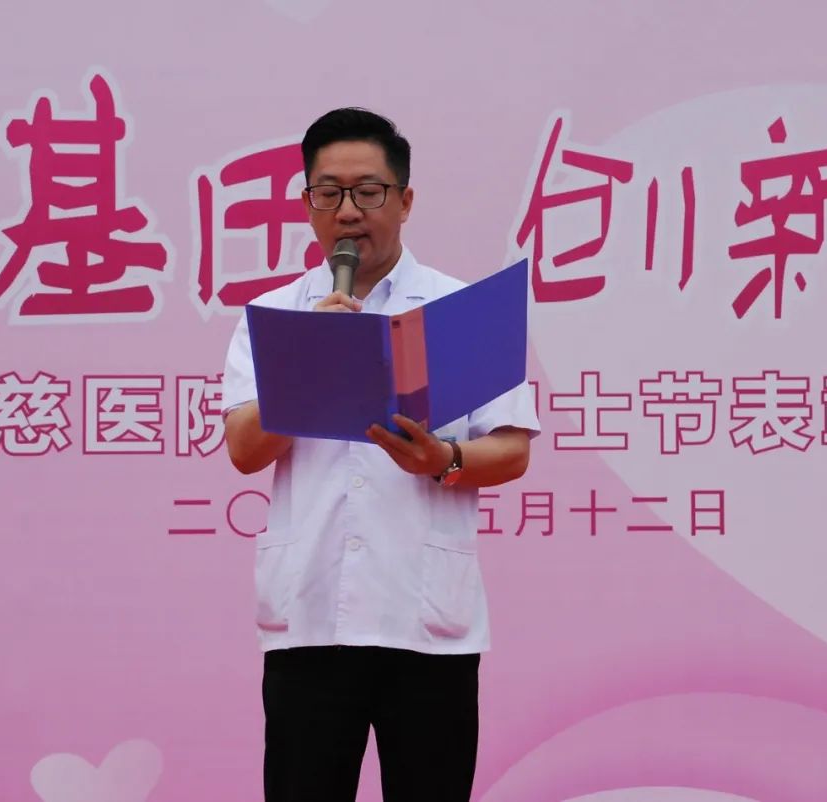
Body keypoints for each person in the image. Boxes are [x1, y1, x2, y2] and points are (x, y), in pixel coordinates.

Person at [221, 107, 540, 802]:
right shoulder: (275, 317)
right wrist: (309, 366)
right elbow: (244, 449)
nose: (348, 211)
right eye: (328, 192)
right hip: (310, 621)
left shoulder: (460, 310)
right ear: (306, 203)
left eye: (368, 191)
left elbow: (512, 449)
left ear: (405, 200)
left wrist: (443, 460)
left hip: (425, 624)